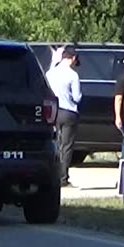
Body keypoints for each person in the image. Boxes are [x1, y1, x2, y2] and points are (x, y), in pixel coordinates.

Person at [44, 46, 81, 188]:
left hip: (53, 111)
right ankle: (63, 177)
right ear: (73, 59)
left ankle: (52, 175)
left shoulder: (50, 73)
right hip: (68, 111)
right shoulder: (73, 75)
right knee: (66, 146)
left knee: (55, 144)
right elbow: (77, 97)